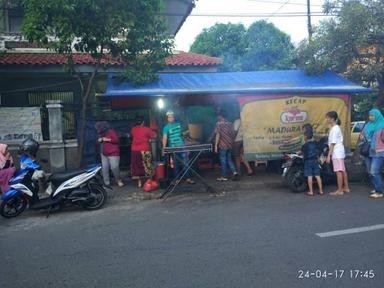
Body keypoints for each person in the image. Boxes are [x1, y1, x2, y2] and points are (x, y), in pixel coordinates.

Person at [162, 111, 195, 184]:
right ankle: (177, 179)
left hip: (182, 146)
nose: (171, 118)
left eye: (172, 116)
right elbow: (164, 138)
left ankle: (188, 178)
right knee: (175, 164)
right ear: (167, 119)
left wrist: (188, 131)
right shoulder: (166, 128)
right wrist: (164, 149)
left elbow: (182, 135)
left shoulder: (178, 125)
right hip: (173, 148)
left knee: (186, 162)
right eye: (170, 117)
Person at [325, 111, 350, 196]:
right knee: (342, 170)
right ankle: (346, 187)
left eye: (327, 118)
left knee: (338, 171)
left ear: (332, 119)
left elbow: (333, 143)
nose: (327, 119)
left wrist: (329, 155)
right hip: (339, 151)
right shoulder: (335, 127)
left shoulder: (335, 128)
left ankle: (340, 190)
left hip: (336, 152)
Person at [362, 109, 384, 198]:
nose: (370, 117)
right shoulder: (368, 125)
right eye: (370, 115)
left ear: (377, 116)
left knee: (374, 172)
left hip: (379, 151)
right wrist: (363, 137)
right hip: (369, 151)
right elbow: (363, 134)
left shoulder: (382, 125)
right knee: (369, 172)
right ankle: (376, 187)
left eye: (372, 116)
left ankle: (379, 192)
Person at [95, 121, 124, 187]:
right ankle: (106, 183)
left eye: (99, 128)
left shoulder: (111, 131)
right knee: (105, 169)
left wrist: (108, 139)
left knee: (114, 167)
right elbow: (97, 143)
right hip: (103, 153)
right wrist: (98, 141)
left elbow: (117, 140)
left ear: (103, 128)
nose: (98, 130)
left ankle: (118, 180)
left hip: (113, 153)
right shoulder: (100, 133)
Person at [131, 117, 156, 187]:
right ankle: (149, 181)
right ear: (143, 122)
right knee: (148, 165)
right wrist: (149, 138)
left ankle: (139, 183)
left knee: (137, 166)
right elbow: (154, 135)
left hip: (135, 150)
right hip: (145, 149)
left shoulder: (133, 129)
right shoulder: (147, 129)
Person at [215, 110, 239, 181]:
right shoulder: (230, 123)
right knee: (229, 160)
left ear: (221, 116)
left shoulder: (219, 124)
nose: (217, 117)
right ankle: (234, 172)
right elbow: (232, 133)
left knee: (223, 160)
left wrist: (216, 145)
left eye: (218, 115)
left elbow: (218, 135)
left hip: (223, 145)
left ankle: (224, 176)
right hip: (229, 144)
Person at [301, 130, 323, 196]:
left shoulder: (305, 145)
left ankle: (311, 191)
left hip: (308, 161)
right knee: (317, 176)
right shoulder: (315, 143)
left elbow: (302, 152)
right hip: (315, 161)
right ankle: (321, 191)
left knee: (309, 176)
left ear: (305, 137)